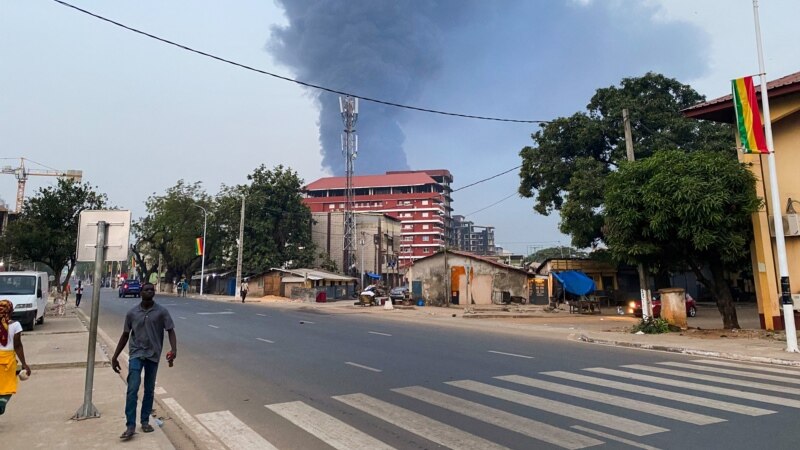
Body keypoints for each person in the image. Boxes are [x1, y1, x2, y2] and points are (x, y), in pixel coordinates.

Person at [111, 283, 177, 440]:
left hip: (153, 355)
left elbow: (170, 331)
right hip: (136, 354)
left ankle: (145, 420)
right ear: (141, 293)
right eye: (146, 289)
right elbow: (125, 335)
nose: (149, 292)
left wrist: (174, 350)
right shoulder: (132, 313)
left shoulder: (161, 312)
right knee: (132, 388)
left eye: (152, 290)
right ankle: (130, 425)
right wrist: (115, 357)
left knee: (149, 389)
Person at [0, 299, 31, 415]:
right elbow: (17, 346)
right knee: (8, 386)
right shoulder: (15, 325)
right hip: (7, 361)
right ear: (11, 311)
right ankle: (1, 404)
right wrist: (24, 363)